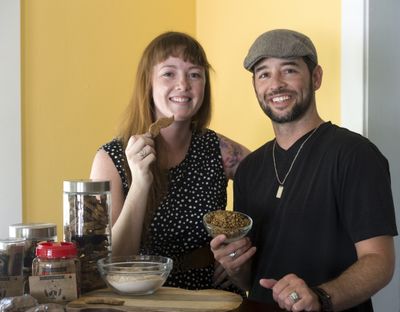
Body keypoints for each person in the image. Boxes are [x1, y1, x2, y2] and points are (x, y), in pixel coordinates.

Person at [210, 29, 398, 311]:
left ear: (316, 77)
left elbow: (380, 262)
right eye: (264, 74)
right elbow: (252, 278)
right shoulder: (248, 169)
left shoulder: (355, 155)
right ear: (255, 86)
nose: (276, 84)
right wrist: (235, 266)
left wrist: (320, 297)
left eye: (289, 70)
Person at [90, 31, 250, 291]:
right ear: (148, 83)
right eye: (169, 73)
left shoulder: (218, 149)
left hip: (212, 298)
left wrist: (240, 252)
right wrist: (141, 182)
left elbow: (274, 184)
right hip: (143, 297)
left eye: (194, 74)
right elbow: (113, 263)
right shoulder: (110, 159)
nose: (183, 85)